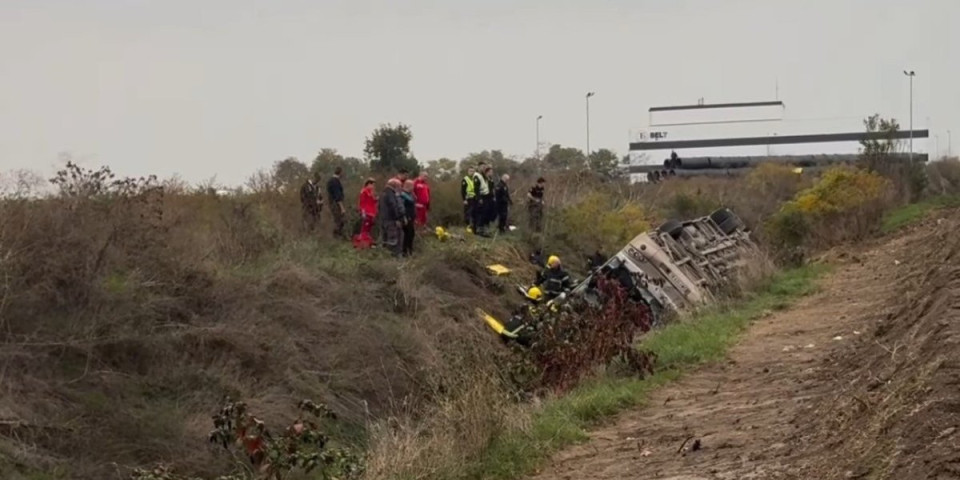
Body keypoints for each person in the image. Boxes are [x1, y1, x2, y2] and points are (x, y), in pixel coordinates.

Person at [378, 178, 405, 257]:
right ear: (395, 185)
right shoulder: (390, 194)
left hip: (383, 220)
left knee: (385, 239)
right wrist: (397, 218)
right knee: (393, 240)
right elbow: (393, 206)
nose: (400, 188)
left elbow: (379, 207)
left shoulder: (383, 193)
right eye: (399, 186)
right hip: (391, 221)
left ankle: (384, 256)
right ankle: (394, 258)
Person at [354, 178, 378, 249]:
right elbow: (362, 203)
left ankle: (367, 243)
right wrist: (363, 212)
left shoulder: (370, 192)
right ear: (368, 184)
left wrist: (376, 199)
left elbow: (372, 201)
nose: (373, 187)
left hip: (371, 213)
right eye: (372, 185)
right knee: (365, 228)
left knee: (368, 229)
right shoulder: (364, 191)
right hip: (367, 212)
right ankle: (361, 243)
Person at [326, 166, 346, 238]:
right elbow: (338, 196)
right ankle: (337, 237)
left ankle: (337, 236)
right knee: (339, 220)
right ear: (340, 173)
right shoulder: (335, 182)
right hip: (336, 204)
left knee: (337, 220)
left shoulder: (330, 181)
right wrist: (342, 207)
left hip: (332, 203)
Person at [472, 165, 491, 236]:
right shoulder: (477, 176)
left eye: (484, 167)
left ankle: (482, 230)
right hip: (480, 197)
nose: (483, 169)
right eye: (482, 167)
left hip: (486, 196)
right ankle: (479, 230)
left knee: (484, 214)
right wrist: (479, 198)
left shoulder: (483, 175)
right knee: (479, 214)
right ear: (478, 167)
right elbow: (476, 189)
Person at [400, 180, 417, 256]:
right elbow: (402, 207)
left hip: (411, 217)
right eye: (412, 186)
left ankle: (409, 250)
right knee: (408, 234)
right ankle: (405, 251)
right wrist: (404, 217)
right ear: (408, 186)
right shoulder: (403, 195)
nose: (413, 187)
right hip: (407, 218)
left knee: (411, 234)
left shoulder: (410, 194)